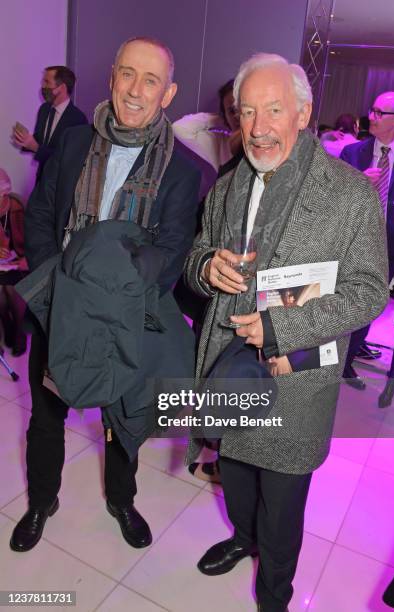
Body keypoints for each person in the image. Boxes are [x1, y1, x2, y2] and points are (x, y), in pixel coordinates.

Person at [184, 52, 388, 611]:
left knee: (282, 503)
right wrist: (206, 268)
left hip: (294, 381)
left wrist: (280, 325)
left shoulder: (351, 194)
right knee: (237, 478)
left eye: (273, 110)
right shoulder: (228, 186)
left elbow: (370, 289)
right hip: (228, 368)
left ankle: (275, 593)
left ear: (303, 113)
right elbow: (196, 254)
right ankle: (241, 536)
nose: (258, 127)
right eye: (247, 112)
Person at [9, 36, 200, 553]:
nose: (136, 90)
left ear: (168, 93)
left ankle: (121, 499)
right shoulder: (72, 144)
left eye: (151, 80)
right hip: (59, 310)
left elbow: (170, 255)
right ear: (113, 76)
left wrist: (108, 307)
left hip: (125, 323)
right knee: (47, 418)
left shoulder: (183, 172)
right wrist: (58, 295)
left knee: (123, 419)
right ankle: (41, 500)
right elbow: (44, 219)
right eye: (127, 74)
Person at [341, 92, 394, 390]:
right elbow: (333, 196)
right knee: (345, 299)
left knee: (372, 305)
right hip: (353, 240)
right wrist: (359, 181)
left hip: (390, 244)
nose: (371, 117)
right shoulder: (352, 153)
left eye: (379, 112)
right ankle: (336, 358)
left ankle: (347, 357)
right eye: (372, 110)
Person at [12, 66, 88, 183]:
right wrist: (26, 140)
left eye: (47, 82)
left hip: (59, 186)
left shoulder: (78, 119)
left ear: (61, 88)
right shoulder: (44, 109)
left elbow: (68, 160)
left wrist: (35, 147)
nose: (42, 86)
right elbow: (41, 141)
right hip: (40, 180)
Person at [173, 79, 241, 172]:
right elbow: (178, 129)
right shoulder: (217, 143)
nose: (237, 116)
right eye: (232, 111)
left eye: (243, 107)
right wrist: (222, 119)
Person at [0, 169, 28, 356]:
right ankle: (7, 324)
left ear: (5, 193)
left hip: (20, 260)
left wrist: (26, 257)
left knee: (12, 290)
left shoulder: (19, 206)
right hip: (2, 263)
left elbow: (34, 238)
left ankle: (19, 332)